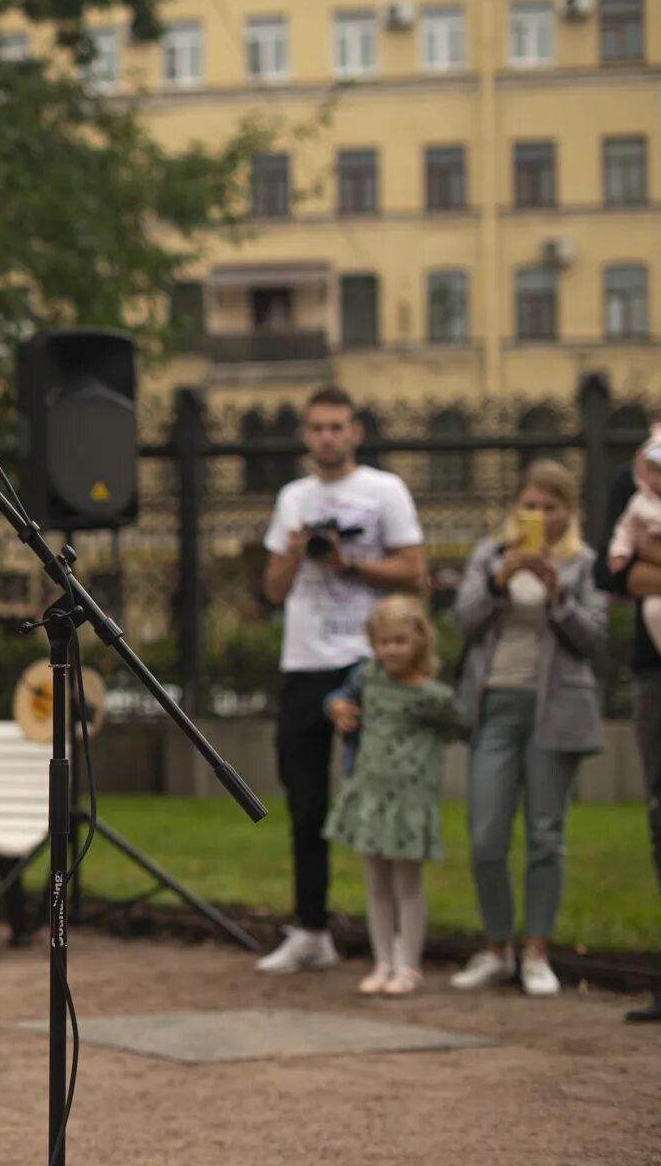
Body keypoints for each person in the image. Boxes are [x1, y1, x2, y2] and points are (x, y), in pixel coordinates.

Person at [256, 386, 427, 974]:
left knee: (380, 795)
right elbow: (272, 590)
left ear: (355, 431)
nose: (327, 437)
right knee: (304, 803)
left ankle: (398, 942)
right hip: (303, 662)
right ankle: (310, 928)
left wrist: (348, 563)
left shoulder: (385, 491)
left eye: (337, 427)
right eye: (317, 428)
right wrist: (298, 552)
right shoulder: (292, 498)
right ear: (305, 435)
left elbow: (416, 573)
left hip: (367, 661)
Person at [450, 460, 607, 998]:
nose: (538, 515)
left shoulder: (584, 565)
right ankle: (498, 947)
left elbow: (594, 639)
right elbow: (463, 621)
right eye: (529, 505)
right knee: (485, 835)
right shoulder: (488, 556)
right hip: (494, 706)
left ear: (569, 514)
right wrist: (501, 580)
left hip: (554, 713)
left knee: (545, 835)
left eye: (550, 506)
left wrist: (557, 593)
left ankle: (536, 949)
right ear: (515, 508)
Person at [322, 596, 465, 995]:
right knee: (376, 884)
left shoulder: (433, 696)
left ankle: (409, 965)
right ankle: (382, 960)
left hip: (409, 800)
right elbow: (335, 699)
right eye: (384, 641)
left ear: (420, 641)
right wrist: (334, 707)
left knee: (407, 884)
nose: (391, 650)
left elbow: (461, 726)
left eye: (400, 641)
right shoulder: (367, 678)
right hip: (370, 794)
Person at [593, 453, 661, 1024]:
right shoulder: (632, 480)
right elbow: (614, 574)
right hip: (654, 672)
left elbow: (643, 568)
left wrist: (651, 561)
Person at [605, 428, 661, 653]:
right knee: (653, 611)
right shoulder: (638, 500)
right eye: (653, 473)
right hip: (650, 665)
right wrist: (620, 553)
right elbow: (624, 531)